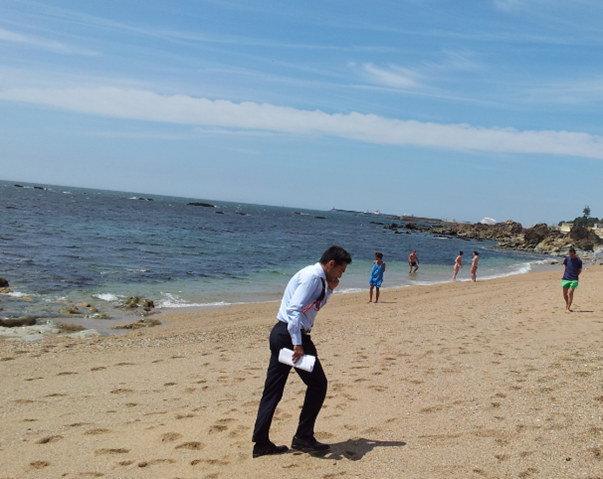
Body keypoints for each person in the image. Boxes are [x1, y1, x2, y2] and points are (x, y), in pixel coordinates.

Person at [252, 246, 352, 458]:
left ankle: (261, 443)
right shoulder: (313, 278)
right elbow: (294, 310)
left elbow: (311, 308)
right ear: (331, 263)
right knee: (318, 384)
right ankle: (302, 437)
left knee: (273, 391)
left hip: (283, 334)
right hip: (291, 337)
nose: (341, 275)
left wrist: (331, 289)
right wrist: (297, 343)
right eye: (340, 271)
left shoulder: (318, 278)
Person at [562, 247, 582, 312]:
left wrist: (575, 275)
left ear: (574, 254)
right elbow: (565, 267)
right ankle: (567, 304)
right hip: (566, 278)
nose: (571, 255)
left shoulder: (578, 260)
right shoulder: (567, 259)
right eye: (570, 254)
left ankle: (568, 308)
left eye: (572, 254)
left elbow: (579, 270)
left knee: (570, 292)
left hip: (574, 279)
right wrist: (566, 274)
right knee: (565, 294)